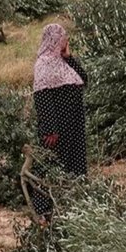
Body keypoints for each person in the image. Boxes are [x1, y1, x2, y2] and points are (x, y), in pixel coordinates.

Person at [26, 23, 87, 225]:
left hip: (75, 126)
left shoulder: (65, 63)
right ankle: (43, 211)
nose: (65, 41)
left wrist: (70, 57)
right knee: (51, 165)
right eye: (62, 38)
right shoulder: (43, 64)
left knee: (74, 163)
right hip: (57, 129)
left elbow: (84, 79)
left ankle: (72, 206)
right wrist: (50, 130)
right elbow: (42, 100)